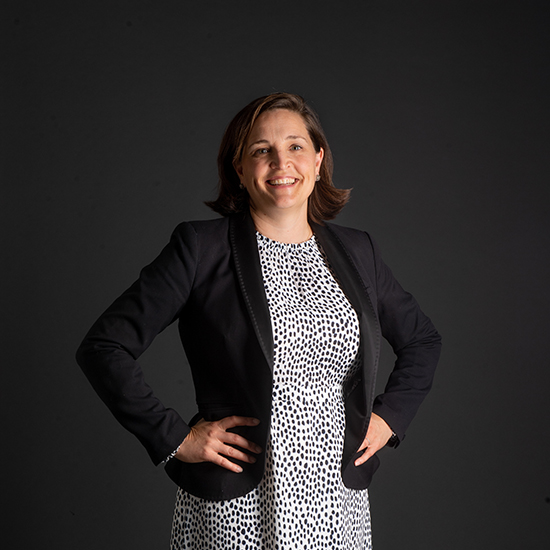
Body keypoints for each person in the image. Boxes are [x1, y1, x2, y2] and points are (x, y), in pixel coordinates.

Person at [76, 92, 441, 549]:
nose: (280, 162)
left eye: (295, 146)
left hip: (336, 501)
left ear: (318, 159)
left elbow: (422, 339)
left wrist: (390, 417)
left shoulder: (357, 251)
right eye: (260, 150)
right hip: (237, 502)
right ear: (240, 167)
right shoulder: (199, 248)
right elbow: (104, 346)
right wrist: (175, 438)